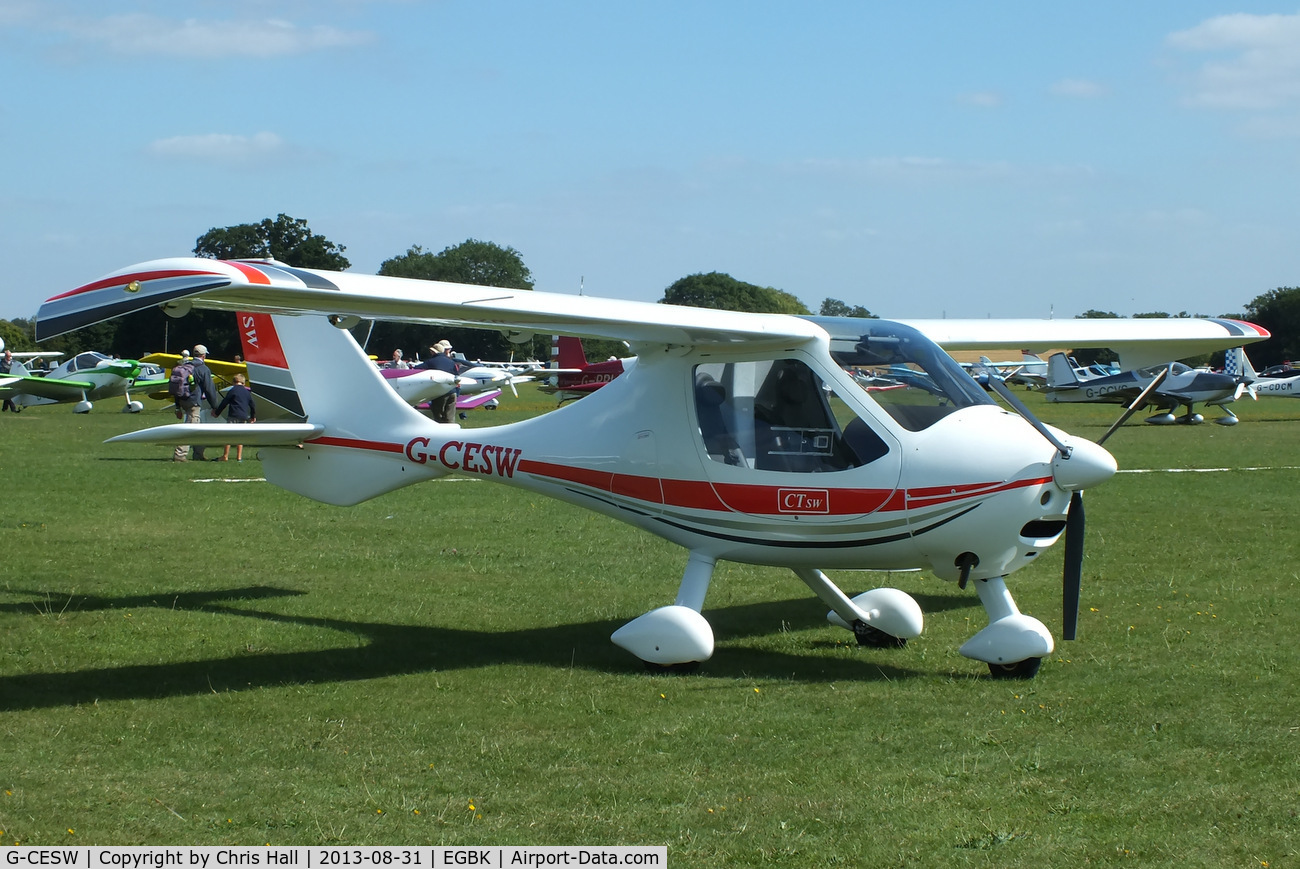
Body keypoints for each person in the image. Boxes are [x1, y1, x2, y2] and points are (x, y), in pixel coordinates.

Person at [173, 344, 222, 462]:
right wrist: (215, 406)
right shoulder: (203, 369)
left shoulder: (185, 366)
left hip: (182, 400)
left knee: (198, 427)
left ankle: (198, 453)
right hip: (194, 402)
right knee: (190, 428)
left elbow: (177, 387)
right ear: (204, 355)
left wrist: (177, 407)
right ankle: (179, 455)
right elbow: (209, 389)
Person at [213, 373, 256, 461]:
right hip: (243, 416)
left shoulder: (232, 391)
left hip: (233, 415)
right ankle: (239, 457)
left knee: (229, 435)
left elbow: (224, 403)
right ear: (243, 383)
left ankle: (225, 456)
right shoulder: (247, 392)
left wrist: (217, 413)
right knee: (240, 436)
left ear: (233, 382)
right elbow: (253, 405)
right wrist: (252, 416)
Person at [421, 339, 461, 423]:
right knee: (450, 418)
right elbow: (456, 376)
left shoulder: (431, 362)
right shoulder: (451, 362)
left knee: (438, 417)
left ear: (433, 352)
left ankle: (440, 434)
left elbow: (416, 369)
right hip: (452, 392)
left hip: (440, 392)